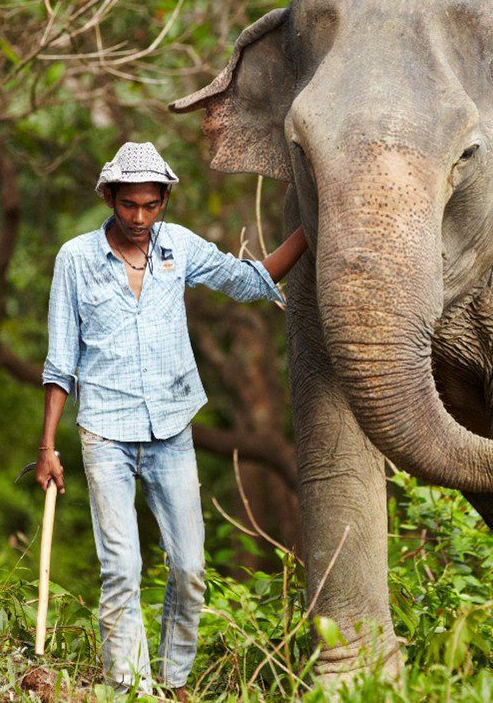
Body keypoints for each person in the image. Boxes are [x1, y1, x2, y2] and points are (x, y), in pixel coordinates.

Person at [35, 141, 306, 696]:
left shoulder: (177, 247)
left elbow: (251, 279)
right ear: (109, 197)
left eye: (150, 206)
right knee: (122, 570)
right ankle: (133, 689)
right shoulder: (76, 259)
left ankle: (173, 679)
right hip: (105, 433)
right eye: (128, 204)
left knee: (189, 568)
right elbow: (61, 364)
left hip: (170, 431)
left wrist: (313, 226)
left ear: (163, 202)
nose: (138, 217)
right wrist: (47, 448)